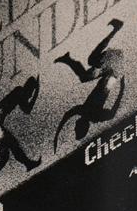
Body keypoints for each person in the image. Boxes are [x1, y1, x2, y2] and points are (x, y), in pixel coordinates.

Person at [53, 19, 126, 148]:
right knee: (92, 60)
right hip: (113, 69)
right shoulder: (88, 113)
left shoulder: (91, 114)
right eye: (76, 127)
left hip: (111, 72)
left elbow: (67, 115)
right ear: (82, 126)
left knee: (84, 77)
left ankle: (68, 59)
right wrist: (122, 87)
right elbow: (113, 113)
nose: (75, 125)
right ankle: (116, 29)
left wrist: (57, 135)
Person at [0, 76, 41, 198]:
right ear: (29, 88)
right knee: (13, 144)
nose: (30, 95)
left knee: (4, 158)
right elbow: (27, 109)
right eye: (31, 92)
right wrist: (37, 93)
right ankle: (28, 164)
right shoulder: (20, 92)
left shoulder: (19, 91)